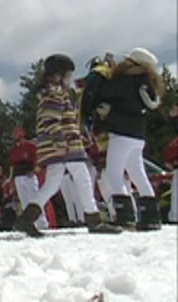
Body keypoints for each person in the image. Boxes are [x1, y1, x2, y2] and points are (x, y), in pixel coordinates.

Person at [14, 54, 121, 237]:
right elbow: (52, 121)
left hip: (58, 146)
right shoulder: (55, 94)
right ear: (58, 76)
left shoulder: (51, 94)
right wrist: (62, 142)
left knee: (52, 184)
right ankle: (93, 218)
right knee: (83, 177)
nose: (70, 80)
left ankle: (27, 218)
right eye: (68, 75)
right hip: (64, 147)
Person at [92, 48, 163, 230]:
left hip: (121, 134)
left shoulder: (126, 80)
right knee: (138, 174)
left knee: (113, 174)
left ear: (133, 63)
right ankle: (151, 216)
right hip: (138, 136)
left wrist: (105, 68)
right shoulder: (145, 83)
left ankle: (125, 215)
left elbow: (106, 91)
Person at [9, 127, 47, 230]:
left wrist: (35, 171)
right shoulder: (13, 150)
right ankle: (30, 224)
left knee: (35, 199)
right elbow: (12, 166)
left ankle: (42, 223)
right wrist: (11, 180)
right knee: (24, 201)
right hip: (18, 177)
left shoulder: (31, 146)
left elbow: (38, 159)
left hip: (29, 176)